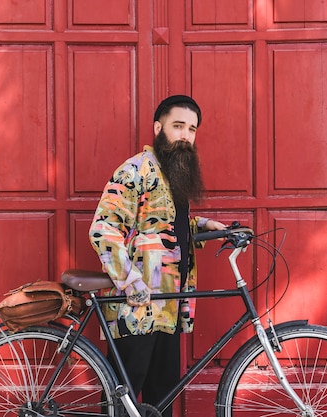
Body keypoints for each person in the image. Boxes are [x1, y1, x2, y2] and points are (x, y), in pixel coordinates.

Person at [89, 95, 226, 416]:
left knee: (161, 394)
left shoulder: (174, 174)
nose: (185, 135)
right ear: (158, 127)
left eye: (192, 129)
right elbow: (103, 228)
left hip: (170, 303)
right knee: (122, 395)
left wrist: (206, 225)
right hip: (137, 304)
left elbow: (163, 225)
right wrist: (129, 281)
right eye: (178, 126)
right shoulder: (136, 170)